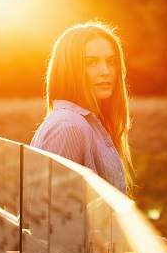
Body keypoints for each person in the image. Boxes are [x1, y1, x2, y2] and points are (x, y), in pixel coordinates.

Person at [29, 21, 135, 196]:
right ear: (69, 70)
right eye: (91, 63)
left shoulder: (90, 123)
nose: (105, 71)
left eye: (111, 61)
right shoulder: (68, 127)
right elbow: (50, 215)